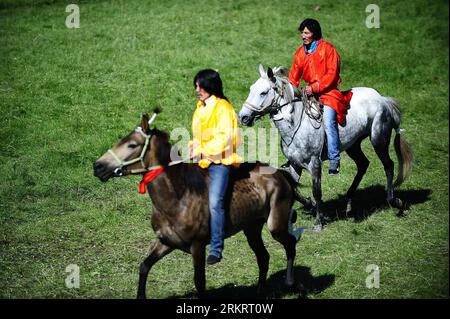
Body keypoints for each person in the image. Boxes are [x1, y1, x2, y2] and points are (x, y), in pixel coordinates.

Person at [188, 69, 242, 265]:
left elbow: (224, 139)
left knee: (214, 203)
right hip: (202, 160)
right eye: (196, 86)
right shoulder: (200, 108)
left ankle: (217, 248)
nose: (197, 90)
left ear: (211, 86)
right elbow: (199, 136)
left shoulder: (224, 108)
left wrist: (201, 149)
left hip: (220, 163)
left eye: (200, 86)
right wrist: (192, 147)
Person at [288, 18, 352, 175]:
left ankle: (334, 159)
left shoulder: (328, 49)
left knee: (329, 121)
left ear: (314, 34)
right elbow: (293, 76)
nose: (303, 35)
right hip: (309, 94)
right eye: (302, 32)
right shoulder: (300, 53)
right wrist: (290, 90)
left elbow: (332, 73)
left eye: (306, 32)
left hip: (328, 93)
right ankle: (293, 156)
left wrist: (315, 87)